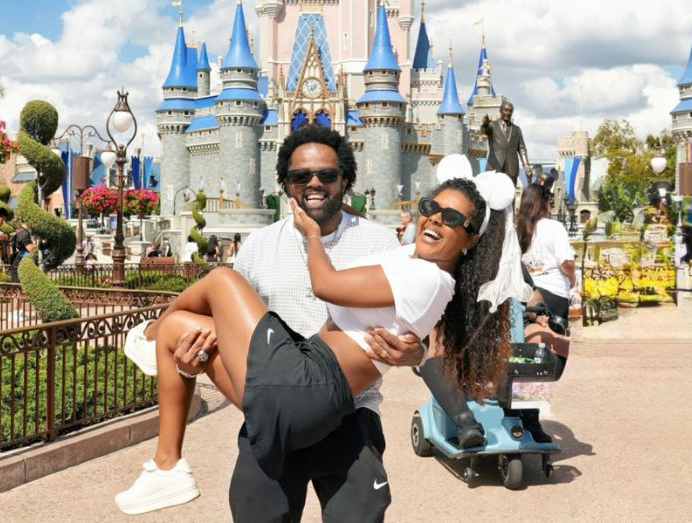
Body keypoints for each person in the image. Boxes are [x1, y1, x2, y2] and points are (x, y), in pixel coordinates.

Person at [116, 174, 518, 518]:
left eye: (452, 218)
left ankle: (148, 335)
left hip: (315, 388)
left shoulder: (416, 267)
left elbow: (326, 285)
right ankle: (167, 463)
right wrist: (188, 366)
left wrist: (311, 236)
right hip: (296, 379)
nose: (314, 184)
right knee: (181, 331)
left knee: (222, 280)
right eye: (431, 206)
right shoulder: (403, 255)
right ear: (285, 182)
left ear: (345, 181)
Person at [515, 183, 576, 442]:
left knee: (526, 355)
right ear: (545, 202)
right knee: (553, 357)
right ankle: (530, 418)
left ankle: (522, 412)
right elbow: (566, 261)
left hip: (527, 295)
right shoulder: (553, 227)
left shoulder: (517, 228)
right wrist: (572, 279)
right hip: (553, 293)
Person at [481, 101, 533, 186]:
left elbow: (522, 149)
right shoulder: (492, 125)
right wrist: (485, 124)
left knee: (510, 194)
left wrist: (526, 166)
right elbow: (485, 131)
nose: (507, 113)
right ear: (500, 110)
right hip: (495, 165)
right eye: (505, 110)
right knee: (493, 193)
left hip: (511, 167)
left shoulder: (517, 129)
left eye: (510, 111)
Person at [9, 221, 36, 321]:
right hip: (19, 264)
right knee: (18, 291)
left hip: (17, 263)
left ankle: (17, 312)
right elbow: (30, 248)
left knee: (19, 290)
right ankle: (15, 313)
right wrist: (37, 246)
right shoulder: (24, 233)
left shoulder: (19, 233)